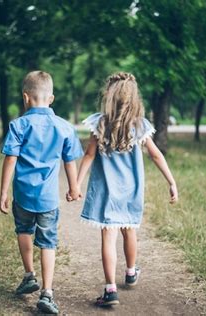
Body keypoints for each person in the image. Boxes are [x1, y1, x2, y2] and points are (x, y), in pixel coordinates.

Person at [69, 72, 178, 307]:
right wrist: (171, 181)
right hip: (131, 192)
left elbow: (89, 155)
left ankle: (110, 290)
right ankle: (130, 272)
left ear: (108, 97)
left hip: (106, 192)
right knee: (129, 231)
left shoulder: (99, 124)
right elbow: (156, 155)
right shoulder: (140, 126)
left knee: (108, 238)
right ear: (134, 99)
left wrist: (76, 184)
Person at [0, 71, 83, 314]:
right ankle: (47, 293)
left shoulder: (18, 125)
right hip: (48, 199)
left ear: (26, 97)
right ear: (52, 98)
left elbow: (10, 160)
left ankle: (29, 275)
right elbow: (69, 161)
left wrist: (3, 192)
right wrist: (74, 186)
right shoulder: (64, 127)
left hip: (23, 195)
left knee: (23, 230)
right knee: (48, 243)